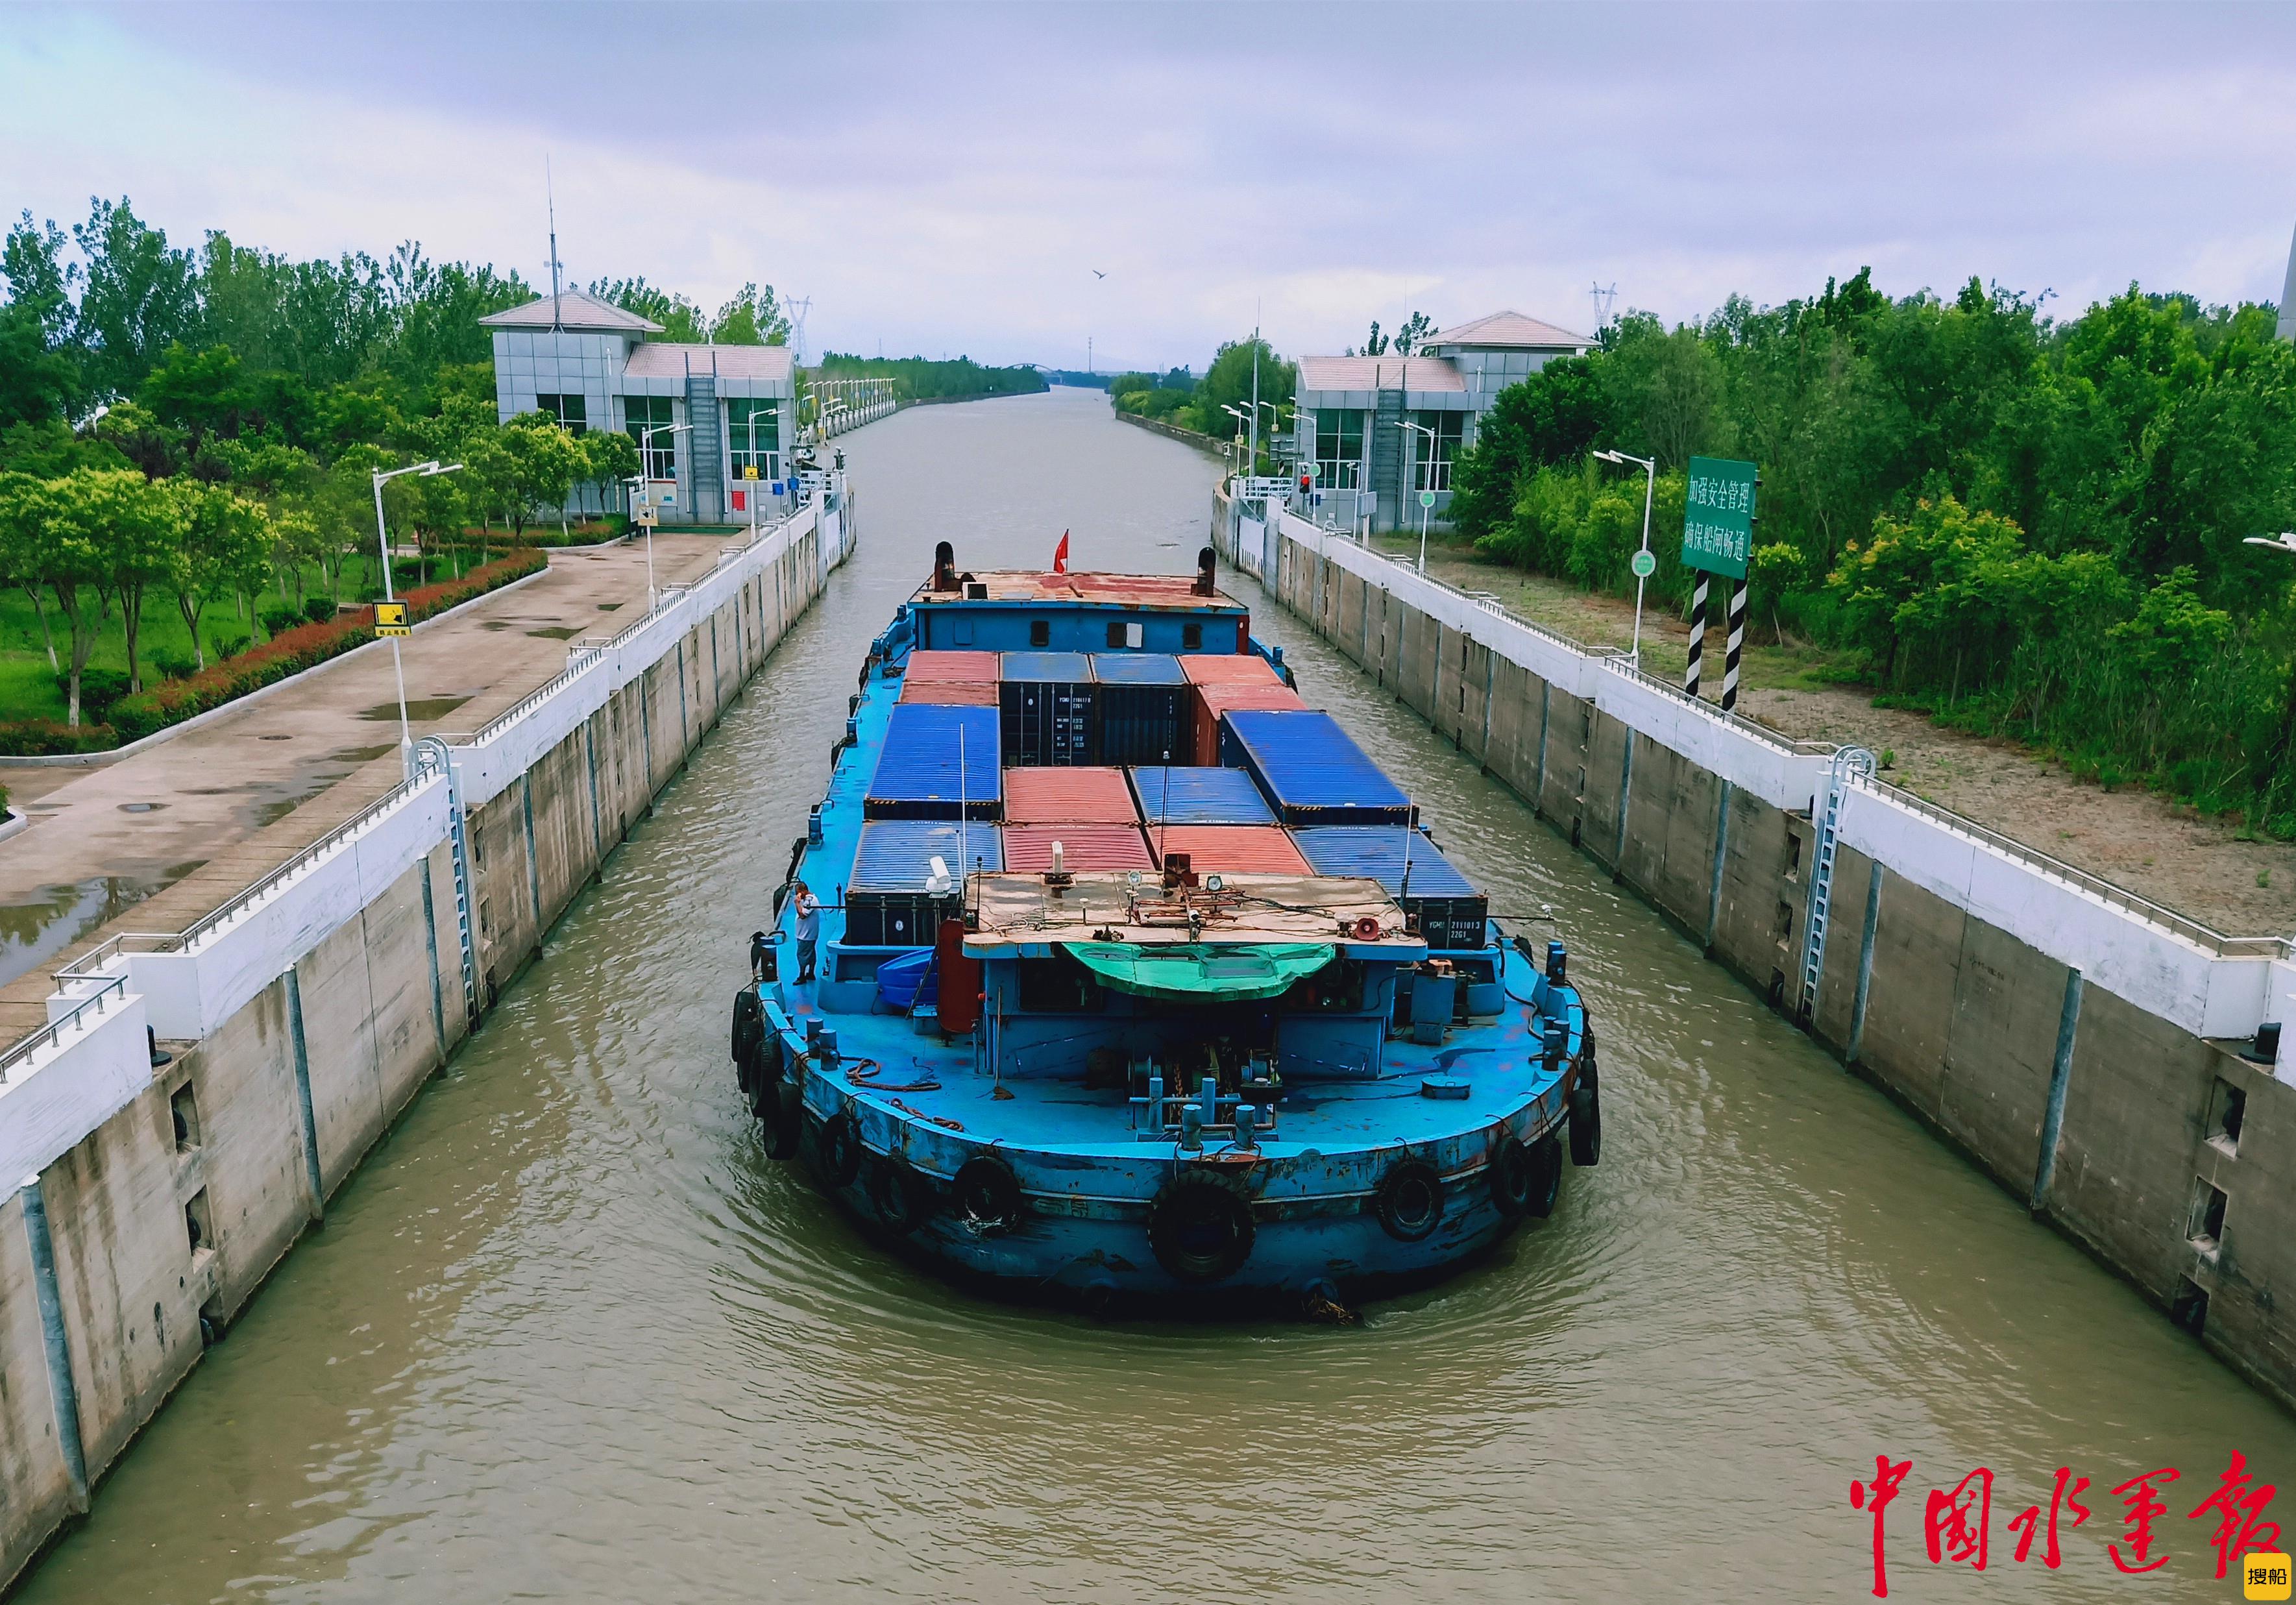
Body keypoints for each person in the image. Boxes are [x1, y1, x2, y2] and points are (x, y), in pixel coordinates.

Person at [792, 881, 821, 985]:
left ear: (803, 891)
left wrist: (797, 903)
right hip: (807, 934)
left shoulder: (810, 900)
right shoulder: (809, 899)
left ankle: (802, 976)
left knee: (802, 955)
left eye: (798, 892)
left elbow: (803, 915)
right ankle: (811, 973)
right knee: (811, 954)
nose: (797, 895)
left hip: (806, 935)